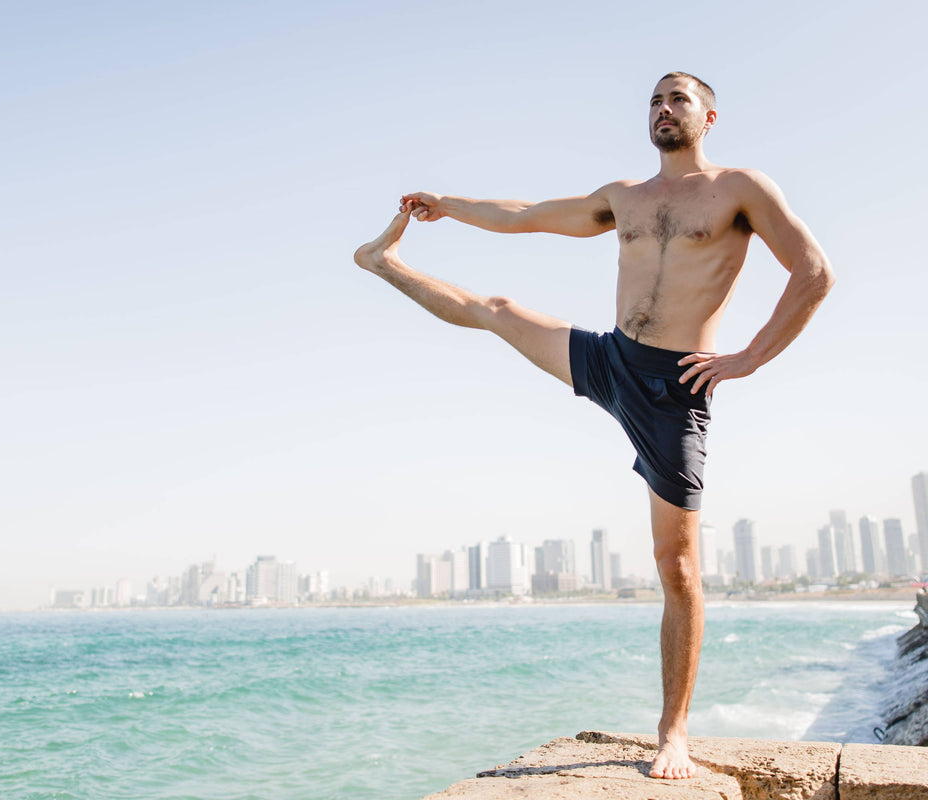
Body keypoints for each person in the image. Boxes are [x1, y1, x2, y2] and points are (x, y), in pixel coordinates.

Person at [352, 72, 834, 779]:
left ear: (709, 115)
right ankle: (380, 260)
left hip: (677, 386)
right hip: (614, 357)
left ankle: (673, 732)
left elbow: (814, 271)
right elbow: (526, 214)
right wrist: (446, 205)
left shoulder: (741, 189)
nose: (664, 109)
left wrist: (749, 358)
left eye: (677, 99)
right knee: (497, 308)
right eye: (654, 100)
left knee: (677, 567)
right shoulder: (624, 197)